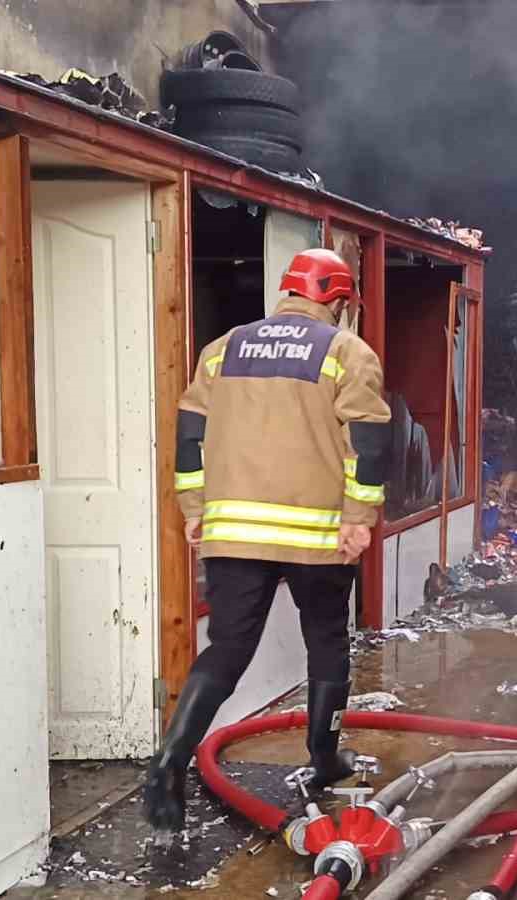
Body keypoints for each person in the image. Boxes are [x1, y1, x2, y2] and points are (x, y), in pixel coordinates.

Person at [145, 248, 392, 835]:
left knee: (227, 650)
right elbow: (371, 444)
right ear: (336, 299)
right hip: (316, 534)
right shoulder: (346, 352)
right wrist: (360, 517)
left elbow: (189, 436)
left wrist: (193, 509)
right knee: (327, 641)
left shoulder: (221, 350)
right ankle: (325, 758)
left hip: (233, 532)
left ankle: (169, 762)